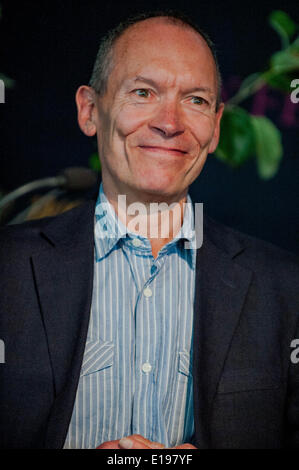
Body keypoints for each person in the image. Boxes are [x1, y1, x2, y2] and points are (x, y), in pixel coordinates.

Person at [0, 11, 299, 450]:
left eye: (195, 100)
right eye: (143, 92)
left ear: (215, 127)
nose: (170, 122)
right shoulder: (8, 270)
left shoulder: (285, 288)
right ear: (90, 111)